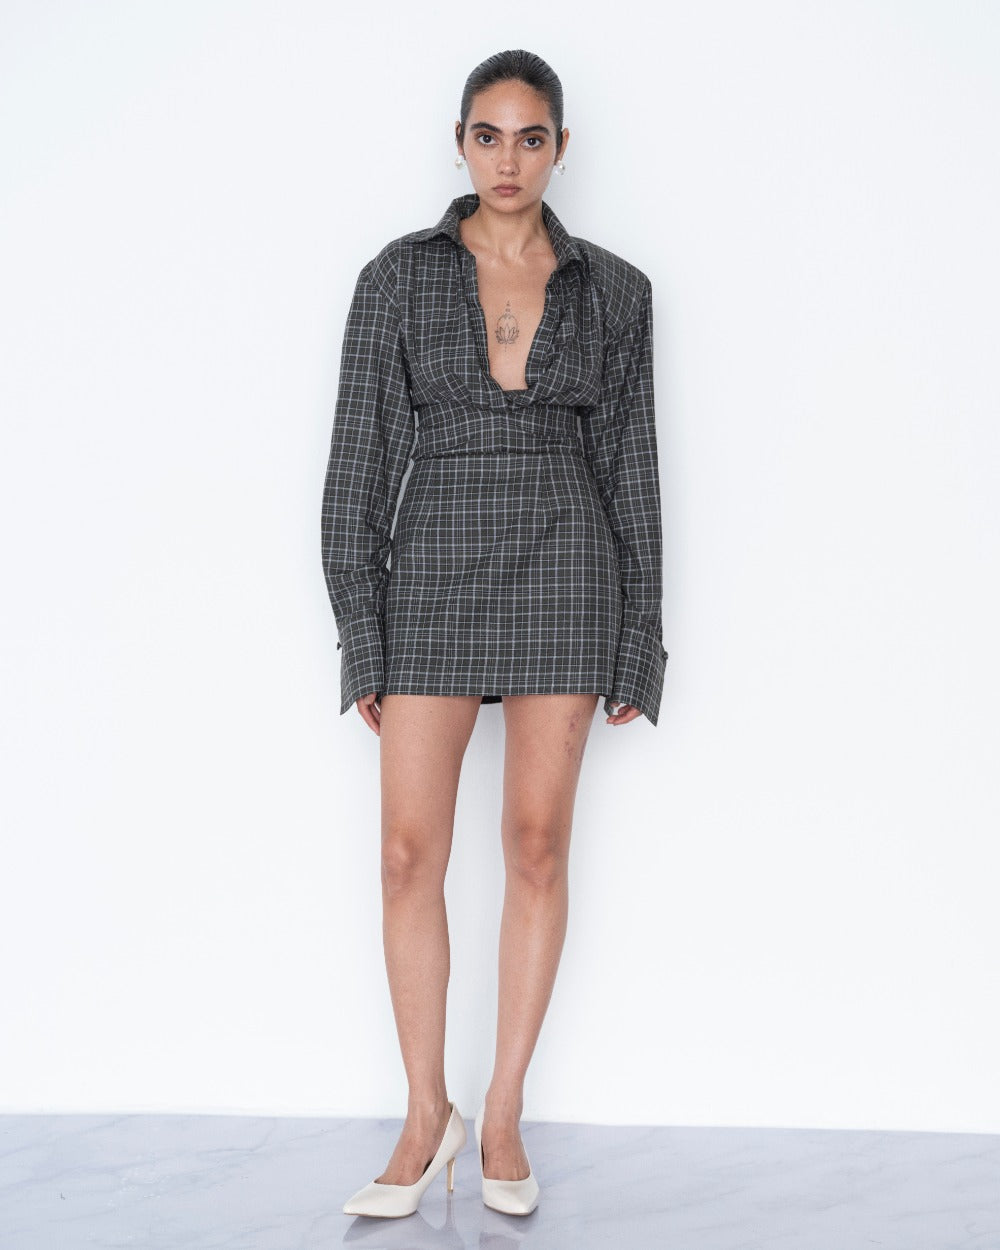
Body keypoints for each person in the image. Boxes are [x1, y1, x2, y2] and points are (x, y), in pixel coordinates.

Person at [321, 49, 668, 1219]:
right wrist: (361, 629)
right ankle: (427, 1114)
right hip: (430, 575)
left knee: (534, 846)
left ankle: (503, 1109)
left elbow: (632, 468)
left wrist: (640, 634)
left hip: (568, 568)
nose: (507, 159)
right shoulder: (396, 277)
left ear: (560, 148)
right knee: (405, 854)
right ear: (460, 143)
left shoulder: (616, 290)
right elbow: (357, 465)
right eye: (487, 135)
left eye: (530, 137)